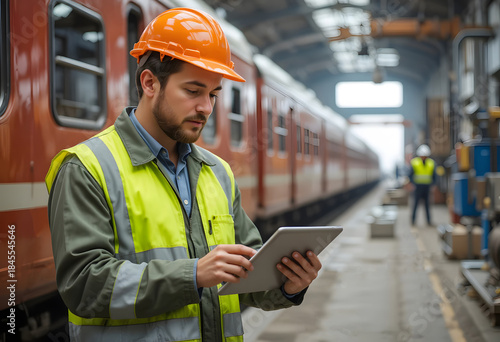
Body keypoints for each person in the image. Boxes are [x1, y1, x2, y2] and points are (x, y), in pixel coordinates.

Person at [45, 8, 322, 342]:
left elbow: (247, 280)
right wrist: (192, 275)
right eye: (193, 91)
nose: (206, 107)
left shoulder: (217, 173)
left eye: (213, 95)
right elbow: (84, 286)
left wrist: (288, 285)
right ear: (149, 82)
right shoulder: (86, 167)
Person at [409, 144, 436, 226]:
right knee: (415, 204)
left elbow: (434, 175)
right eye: (422, 156)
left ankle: (428, 221)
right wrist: (413, 184)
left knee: (427, 205)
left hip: (427, 187)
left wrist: (433, 185)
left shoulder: (431, 163)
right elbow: (410, 175)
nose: (423, 157)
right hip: (418, 187)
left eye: (425, 156)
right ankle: (413, 221)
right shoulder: (415, 162)